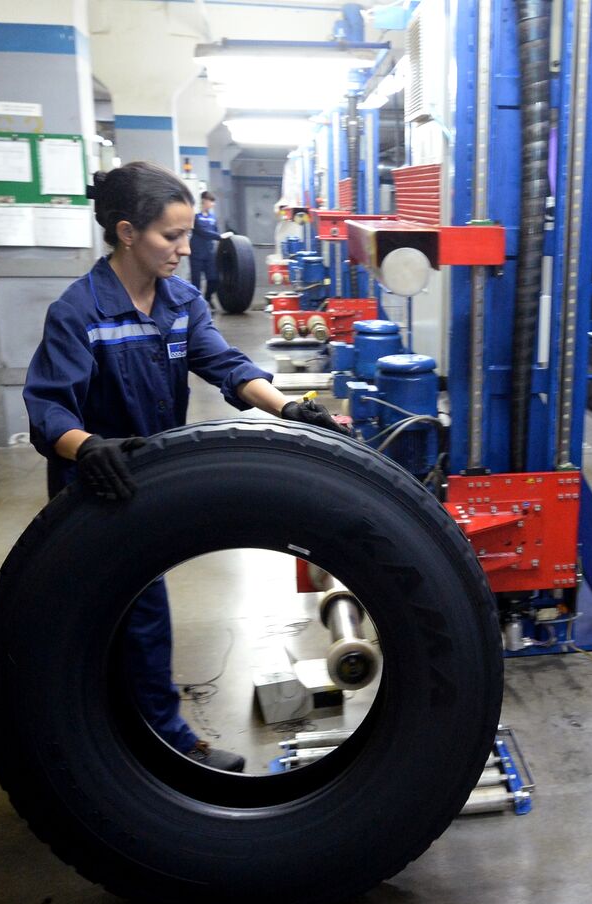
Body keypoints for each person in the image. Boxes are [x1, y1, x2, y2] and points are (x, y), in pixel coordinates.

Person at [22, 161, 348, 773]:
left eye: (185, 234)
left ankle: (141, 731)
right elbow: (47, 406)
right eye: (169, 236)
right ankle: (130, 739)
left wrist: (290, 408)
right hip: (95, 482)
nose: (183, 248)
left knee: (135, 613)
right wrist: (87, 446)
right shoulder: (81, 312)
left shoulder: (180, 300)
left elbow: (226, 366)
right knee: (109, 617)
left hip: (153, 482)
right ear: (125, 232)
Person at [190, 191, 221, 304]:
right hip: (196, 253)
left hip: (209, 253)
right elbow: (202, 232)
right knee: (196, 281)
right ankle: (196, 304)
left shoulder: (213, 217)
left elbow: (216, 231)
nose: (213, 204)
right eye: (211, 201)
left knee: (213, 279)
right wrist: (219, 237)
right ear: (204, 201)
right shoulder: (195, 217)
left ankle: (208, 298)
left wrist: (220, 237)